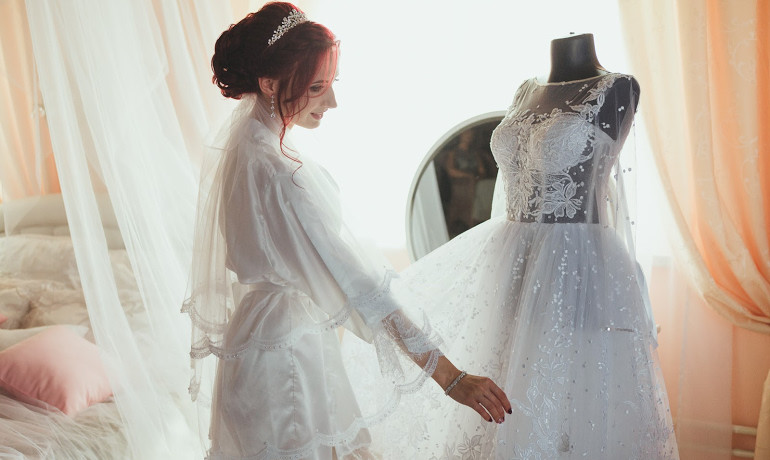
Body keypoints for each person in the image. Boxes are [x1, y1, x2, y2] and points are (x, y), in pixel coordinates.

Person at [181, 3, 511, 459]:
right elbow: (360, 283)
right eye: (317, 87)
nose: (331, 101)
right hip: (285, 358)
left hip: (256, 341)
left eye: (332, 83)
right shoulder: (280, 172)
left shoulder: (246, 148)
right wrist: (449, 376)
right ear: (269, 83)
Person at [370, 33, 680, 458]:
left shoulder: (617, 88)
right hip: (509, 266)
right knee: (504, 397)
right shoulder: (525, 91)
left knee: (567, 406)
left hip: (574, 273)